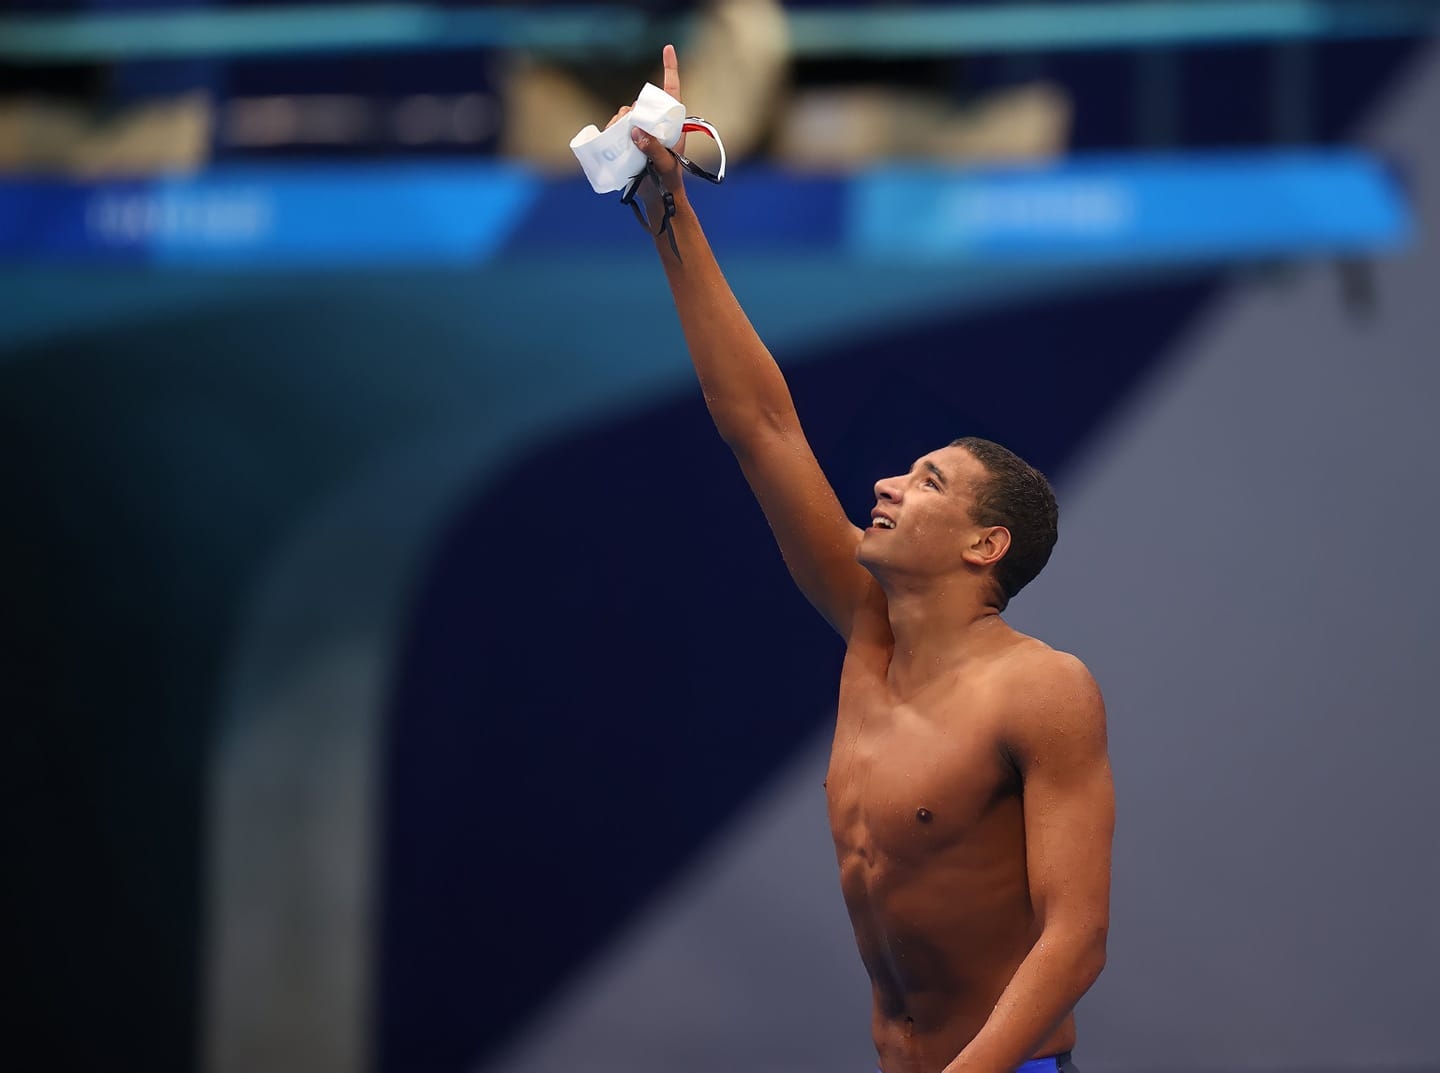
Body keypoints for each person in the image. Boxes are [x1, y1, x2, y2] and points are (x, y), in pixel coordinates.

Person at [604, 46, 1115, 1073]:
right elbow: (760, 422)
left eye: (927, 482)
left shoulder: (1044, 692)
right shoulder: (867, 630)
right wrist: (669, 214)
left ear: (987, 545)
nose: (886, 483)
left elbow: (1075, 941)